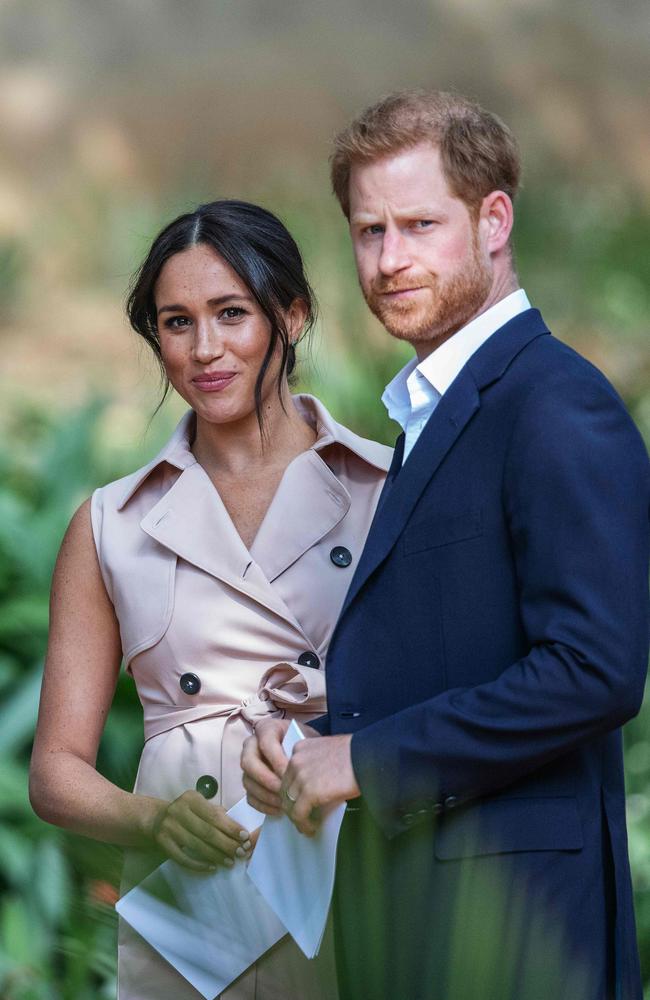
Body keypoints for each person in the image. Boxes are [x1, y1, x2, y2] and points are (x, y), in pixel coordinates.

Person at [241, 91, 650, 1000]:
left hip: (518, 932)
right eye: (368, 231)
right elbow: (448, 653)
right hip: (419, 917)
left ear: (493, 220)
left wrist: (364, 761)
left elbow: (597, 669)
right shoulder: (437, 413)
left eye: (420, 225)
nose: (389, 261)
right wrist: (316, 742)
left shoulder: (555, 405)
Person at [29, 199, 392, 1000]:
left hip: (352, 864)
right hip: (190, 906)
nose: (205, 349)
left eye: (232, 314)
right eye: (176, 322)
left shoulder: (386, 489)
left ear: (291, 316)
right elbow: (55, 771)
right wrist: (152, 821)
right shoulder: (109, 524)